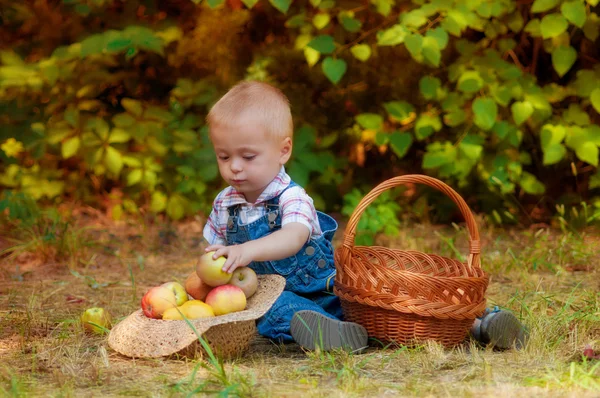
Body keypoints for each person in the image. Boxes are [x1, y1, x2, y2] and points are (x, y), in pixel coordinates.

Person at [201, 80, 527, 352]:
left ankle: (482, 320)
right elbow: (212, 249)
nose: (235, 167)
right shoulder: (224, 203)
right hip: (271, 292)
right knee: (274, 311)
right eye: (223, 156)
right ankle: (329, 334)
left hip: (331, 287)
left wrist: (246, 251)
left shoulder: (291, 196)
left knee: (390, 304)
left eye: (247, 156)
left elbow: (294, 236)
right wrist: (212, 270)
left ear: (283, 150)